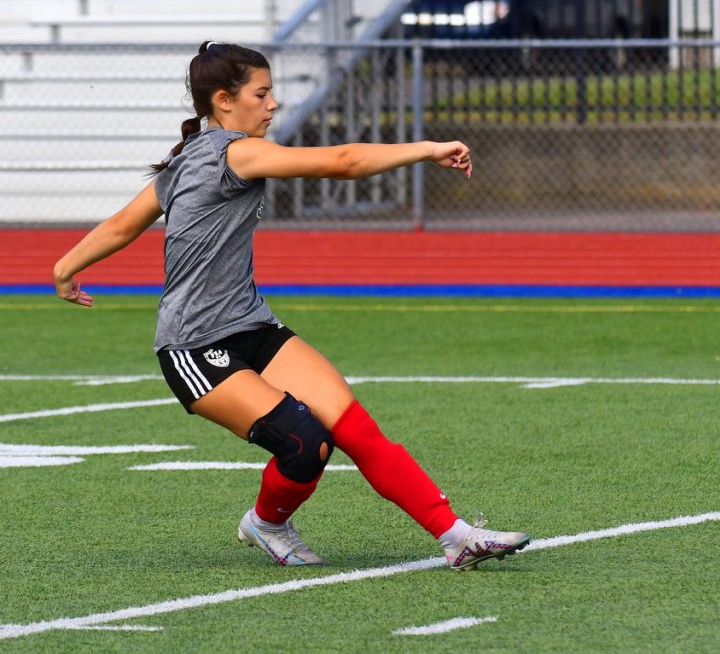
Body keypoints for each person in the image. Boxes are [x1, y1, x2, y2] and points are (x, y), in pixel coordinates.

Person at [53, 41, 529, 569]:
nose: (273, 103)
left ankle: (456, 537)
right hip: (194, 347)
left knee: (355, 429)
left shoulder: (192, 157)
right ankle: (265, 522)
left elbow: (123, 225)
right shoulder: (233, 152)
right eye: (261, 93)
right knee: (304, 442)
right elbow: (343, 162)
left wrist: (64, 268)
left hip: (252, 325)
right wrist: (428, 148)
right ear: (224, 100)